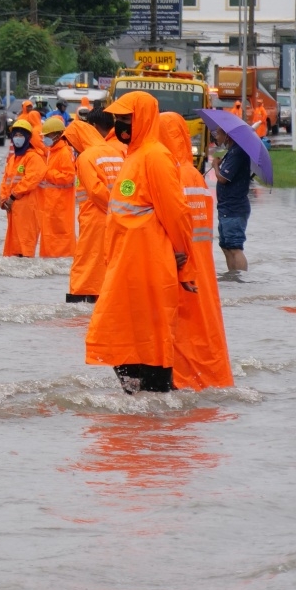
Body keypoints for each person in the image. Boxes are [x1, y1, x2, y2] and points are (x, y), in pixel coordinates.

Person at [85, 91, 197, 394]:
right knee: (119, 333)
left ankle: (155, 407)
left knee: (150, 337)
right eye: (118, 119)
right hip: (127, 265)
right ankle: (140, 406)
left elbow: (177, 214)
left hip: (149, 265)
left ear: (143, 119)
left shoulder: (156, 157)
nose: (120, 124)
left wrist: (185, 265)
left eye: (126, 119)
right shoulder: (133, 156)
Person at [159, 112, 233, 390]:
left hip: (179, 267)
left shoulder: (170, 175)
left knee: (181, 332)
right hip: (202, 267)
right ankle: (210, 379)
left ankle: (184, 381)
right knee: (204, 328)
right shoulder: (194, 176)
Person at [67, 112, 123, 303]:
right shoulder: (114, 152)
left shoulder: (86, 157)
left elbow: (96, 190)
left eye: (72, 142)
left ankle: (80, 305)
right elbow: (125, 186)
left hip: (95, 218)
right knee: (104, 263)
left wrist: (112, 207)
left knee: (85, 263)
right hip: (115, 218)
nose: (72, 147)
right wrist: (121, 209)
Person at [0, 118, 45, 257]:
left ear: (28, 138)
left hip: (28, 209)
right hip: (12, 208)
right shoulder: (13, 159)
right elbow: (6, 181)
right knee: (13, 249)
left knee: (25, 248)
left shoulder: (34, 158)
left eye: (21, 135)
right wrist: (3, 199)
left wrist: (13, 196)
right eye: (15, 135)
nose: (17, 138)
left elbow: (31, 179)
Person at [211, 130, 251, 273]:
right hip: (226, 207)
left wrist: (215, 165)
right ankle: (232, 278)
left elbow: (223, 178)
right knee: (225, 246)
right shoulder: (232, 152)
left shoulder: (237, 152)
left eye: (219, 133)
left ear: (227, 135)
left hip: (234, 207)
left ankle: (240, 280)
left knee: (234, 247)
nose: (216, 136)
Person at [37, 116, 76, 258]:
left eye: (47, 135)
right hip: (51, 205)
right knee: (50, 238)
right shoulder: (53, 152)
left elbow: (69, 176)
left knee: (60, 241)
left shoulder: (64, 153)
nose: (45, 138)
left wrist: (47, 173)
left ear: (57, 135)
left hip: (60, 205)